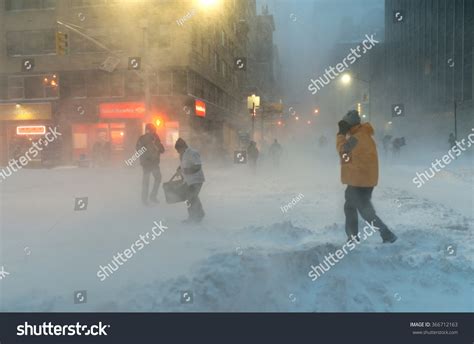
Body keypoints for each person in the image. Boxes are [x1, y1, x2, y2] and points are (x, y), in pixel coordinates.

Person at [336, 110, 397, 244]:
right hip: (363, 180)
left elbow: (344, 153)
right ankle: (358, 237)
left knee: (362, 210)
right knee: (356, 208)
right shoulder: (363, 134)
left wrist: (340, 135)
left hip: (359, 181)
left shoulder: (357, 137)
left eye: (345, 125)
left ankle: (384, 234)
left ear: (349, 125)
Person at [175, 138, 205, 223]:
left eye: (178, 150)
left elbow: (198, 166)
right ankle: (200, 214)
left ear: (183, 147)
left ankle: (193, 218)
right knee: (192, 197)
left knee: (190, 198)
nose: (178, 152)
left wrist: (186, 171)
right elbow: (184, 165)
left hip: (196, 180)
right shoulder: (183, 154)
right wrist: (179, 169)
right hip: (189, 180)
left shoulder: (193, 153)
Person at [136, 123, 165, 205]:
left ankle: (151, 196)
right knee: (147, 181)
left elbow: (162, 149)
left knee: (156, 178)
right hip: (148, 163)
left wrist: (156, 145)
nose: (153, 132)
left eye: (154, 130)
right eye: (152, 130)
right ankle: (146, 199)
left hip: (153, 163)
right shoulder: (143, 138)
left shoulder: (155, 138)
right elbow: (139, 150)